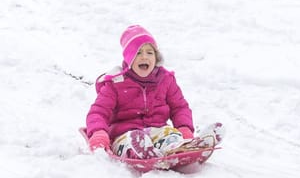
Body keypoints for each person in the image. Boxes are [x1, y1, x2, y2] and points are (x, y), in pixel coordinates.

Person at [85, 25, 222, 158]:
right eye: (138, 53)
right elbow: (98, 111)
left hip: (158, 130)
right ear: (129, 58)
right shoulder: (116, 84)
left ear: (156, 57)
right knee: (129, 142)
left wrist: (184, 129)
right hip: (124, 133)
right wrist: (98, 133)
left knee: (170, 136)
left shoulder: (165, 80)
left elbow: (179, 107)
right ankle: (138, 151)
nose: (144, 57)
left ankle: (179, 148)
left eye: (149, 53)